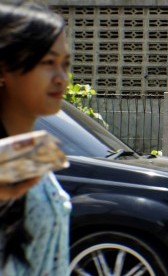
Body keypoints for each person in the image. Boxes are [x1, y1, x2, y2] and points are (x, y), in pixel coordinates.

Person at [0, 2, 71, 275]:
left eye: (65, 64)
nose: (62, 78)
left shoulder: (32, 153)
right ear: (4, 68)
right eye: (48, 63)